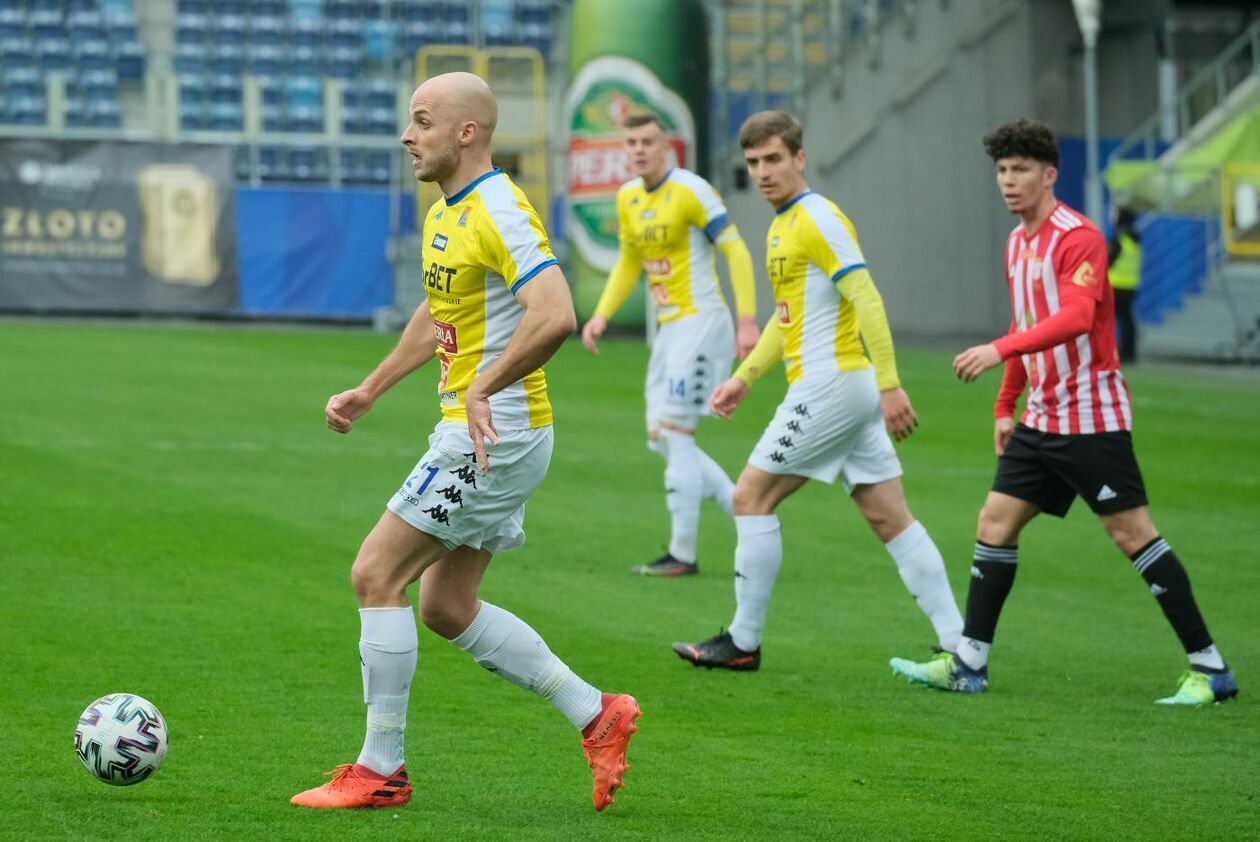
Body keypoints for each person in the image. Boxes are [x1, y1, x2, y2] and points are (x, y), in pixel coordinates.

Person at [290, 72, 640, 813]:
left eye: (420, 120)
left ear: (466, 133)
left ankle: (381, 769)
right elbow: (441, 308)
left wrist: (484, 386)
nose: (406, 135)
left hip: (492, 432)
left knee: (375, 573)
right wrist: (373, 386)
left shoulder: (503, 209)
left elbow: (555, 313)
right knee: (447, 606)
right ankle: (597, 713)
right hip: (491, 427)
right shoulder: (448, 210)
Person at [889, 119, 1237, 706]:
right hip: (1042, 417)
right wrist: (1007, 402)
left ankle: (1211, 667)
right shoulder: (1016, 242)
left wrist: (999, 353)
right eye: (1001, 170)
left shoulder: (1079, 238)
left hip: (1091, 417)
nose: (1008, 180)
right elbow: (1028, 326)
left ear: (1049, 174)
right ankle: (969, 663)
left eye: (1021, 169)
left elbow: (1075, 318)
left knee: (1131, 534)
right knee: (994, 524)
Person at [671, 110, 964, 670]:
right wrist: (744, 377)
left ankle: (743, 642)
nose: (762, 171)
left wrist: (891, 383)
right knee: (889, 516)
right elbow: (789, 319)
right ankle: (960, 647)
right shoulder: (782, 225)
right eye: (753, 162)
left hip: (832, 384)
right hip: (840, 388)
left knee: (749, 497)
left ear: (799, 159)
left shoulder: (818, 219)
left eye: (773, 159)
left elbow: (867, 298)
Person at [581, 113, 761, 577]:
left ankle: (682, 554)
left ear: (667, 148)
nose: (639, 149)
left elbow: (736, 251)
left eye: (648, 141)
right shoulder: (628, 197)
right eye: (632, 142)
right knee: (659, 436)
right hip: (668, 330)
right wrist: (601, 314)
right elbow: (628, 262)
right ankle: (745, 508)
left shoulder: (692, 190)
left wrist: (746, 322)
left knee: (676, 431)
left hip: (702, 322)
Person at [1108, 205, 1141, 363]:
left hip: (1115, 285)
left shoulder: (1118, 238)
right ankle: (1129, 351)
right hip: (1131, 285)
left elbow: (1108, 260)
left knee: (1107, 321)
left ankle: (1112, 351)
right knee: (1127, 321)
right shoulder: (1135, 239)